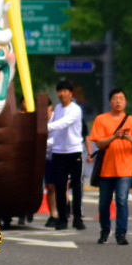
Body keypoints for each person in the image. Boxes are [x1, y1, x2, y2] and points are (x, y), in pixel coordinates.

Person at [89, 89, 132, 245]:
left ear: (125, 102)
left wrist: (130, 138)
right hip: (106, 169)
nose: (118, 101)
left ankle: (121, 233)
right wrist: (114, 137)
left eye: (121, 98)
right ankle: (105, 231)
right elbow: (99, 143)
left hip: (125, 169)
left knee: (121, 200)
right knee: (104, 203)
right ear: (110, 101)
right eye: (115, 98)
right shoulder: (101, 119)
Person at [47, 80, 85, 231]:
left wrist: (45, 126)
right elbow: (55, 129)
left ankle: (77, 219)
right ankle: (62, 219)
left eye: (65, 91)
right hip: (58, 152)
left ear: (71, 93)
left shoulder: (75, 109)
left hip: (73, 151)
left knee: (76, 187)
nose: (62, 94)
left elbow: (63, 123)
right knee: (60, 187)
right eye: (60, 91)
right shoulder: (57, 108)